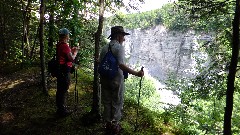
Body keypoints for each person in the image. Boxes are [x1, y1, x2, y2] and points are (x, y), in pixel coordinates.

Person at [99, 26, 144, 134]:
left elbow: (100, 63)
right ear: (119, 36)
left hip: (104, 78)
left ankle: (108, 125)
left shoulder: (104, 48)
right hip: (116, 80)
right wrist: (137, 73)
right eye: (123, 36)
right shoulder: (119, 48)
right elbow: (121, 65)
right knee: (117, 101)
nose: (124, 39)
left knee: (106, 101)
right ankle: (115, 126)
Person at [56, 28, 79, 117]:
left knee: (60, 89)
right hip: (64, 70)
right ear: (66, 36)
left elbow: (66, 55)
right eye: (68, 35)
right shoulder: (65, 45)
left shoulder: (59, 44)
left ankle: (60, 109)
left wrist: (71, 51)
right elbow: (71, 59)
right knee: (63, 89)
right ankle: (62, 111)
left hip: (60, 69)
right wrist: (75, 52)